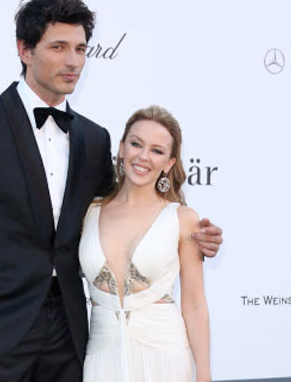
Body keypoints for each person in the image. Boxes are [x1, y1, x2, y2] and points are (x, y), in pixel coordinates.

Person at [0, 0, 221, 382]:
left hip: (71, 333)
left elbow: (120, 211)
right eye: (58, 47)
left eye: (80, 49)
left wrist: (193, 234)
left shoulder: (93, 139)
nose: (73, 61)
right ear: (25, 50)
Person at [79, 106, 211, 381]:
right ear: (121, 148)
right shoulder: (88, 213)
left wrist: (204, 372)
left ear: (169, 163)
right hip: (102, 358)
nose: (143, 156)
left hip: (165, 358)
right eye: (136, 144)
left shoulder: (182, 219)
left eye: (157, 150)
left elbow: (194, 303)